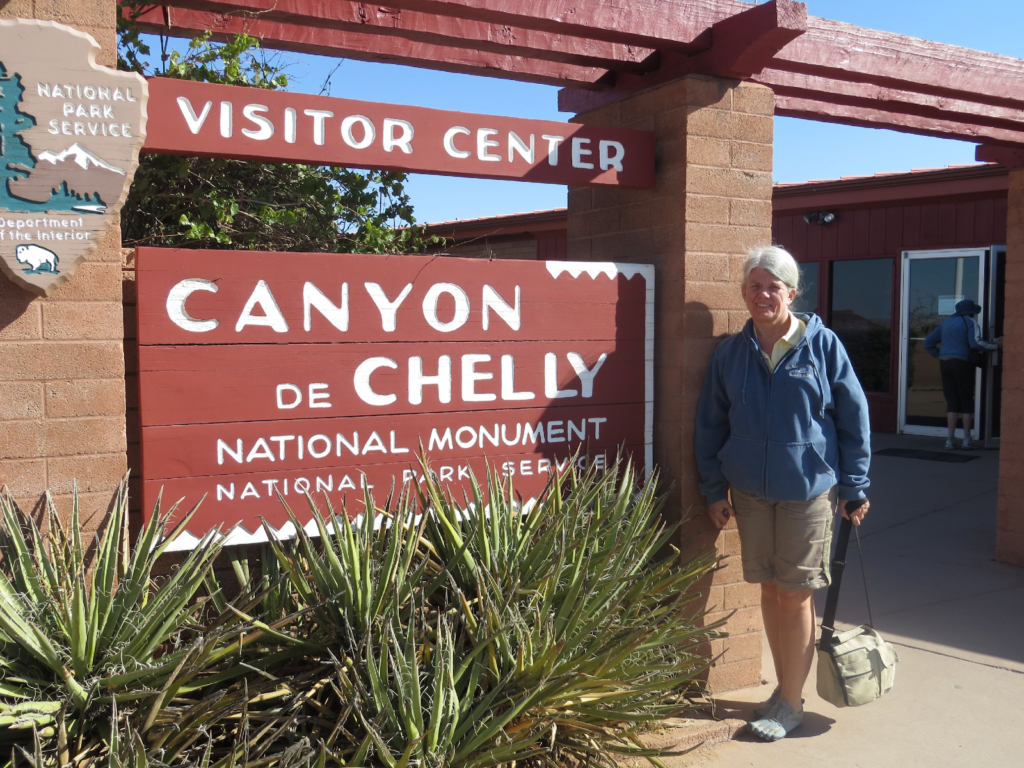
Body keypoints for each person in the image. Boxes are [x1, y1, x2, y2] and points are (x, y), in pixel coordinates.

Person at [695, 245, 872, 742]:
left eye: (773, 286)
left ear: (792, 293)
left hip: (806, 491)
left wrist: (855, 485)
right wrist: (714, 488)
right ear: (744, 294)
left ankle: (791, 702)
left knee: (795, 594)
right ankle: (783, 689)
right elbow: (710, 424)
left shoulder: (823, 345)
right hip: (749, 491)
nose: (762, 294)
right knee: (770, 590)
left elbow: (853, 418)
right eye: (754, 286)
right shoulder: (731, 352)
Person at [923, 299, 999, 450]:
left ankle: (949, 440)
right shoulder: (969, 322)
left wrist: (940, 355)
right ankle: (966, 439)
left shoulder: (945, 324)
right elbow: (976, 343)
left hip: (945, 363)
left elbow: (928, 343)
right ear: (971, 312)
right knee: (966, 400)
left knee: (951, 400)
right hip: (962, 363)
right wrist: (996, 345)